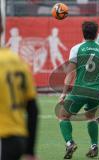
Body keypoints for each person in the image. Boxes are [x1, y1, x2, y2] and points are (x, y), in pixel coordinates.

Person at [58, 21, 99, 159]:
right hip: (96, 92)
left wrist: (64, 93)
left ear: (83, 32)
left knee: (63, 116)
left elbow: (70, 73)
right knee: (91, 117)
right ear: (96, 34)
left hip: (79, 90)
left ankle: (70, 143)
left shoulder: (76, 48)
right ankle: (94, 146)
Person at [0, 13, 39, 160]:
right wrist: (30, 151)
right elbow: (33, 108)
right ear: (3, 27)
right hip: (16, 140)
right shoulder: (18, 61)